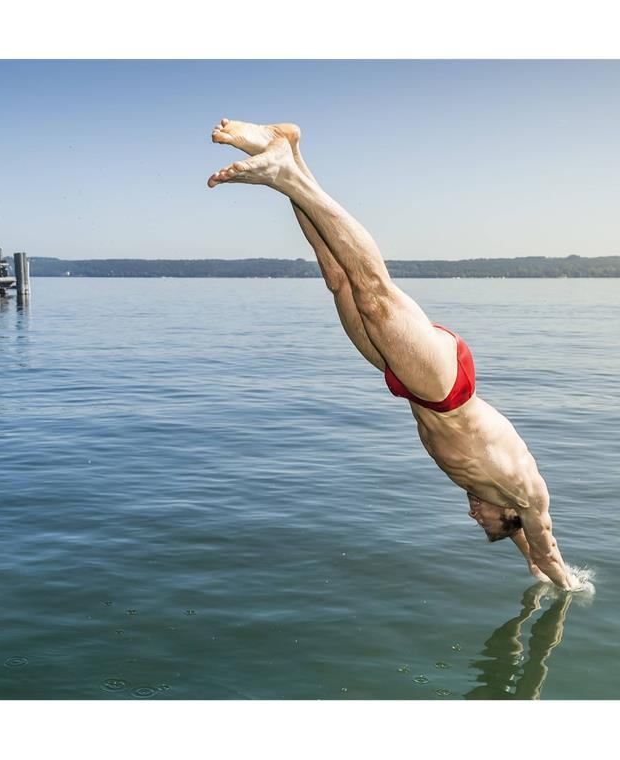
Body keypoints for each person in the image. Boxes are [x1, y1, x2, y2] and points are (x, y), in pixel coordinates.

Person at [208, 119, 582, 590]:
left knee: (340, 282)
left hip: (408, 382)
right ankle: (286, 172)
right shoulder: (525, 494)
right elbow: (543, 544)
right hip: (445, 386)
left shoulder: (495, 494)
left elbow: (526, 549)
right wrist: (564, 585)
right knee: (373, 294)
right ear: (509, 514)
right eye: (484, 521)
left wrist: (529, 567)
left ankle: (289, 157)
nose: (472, 514)